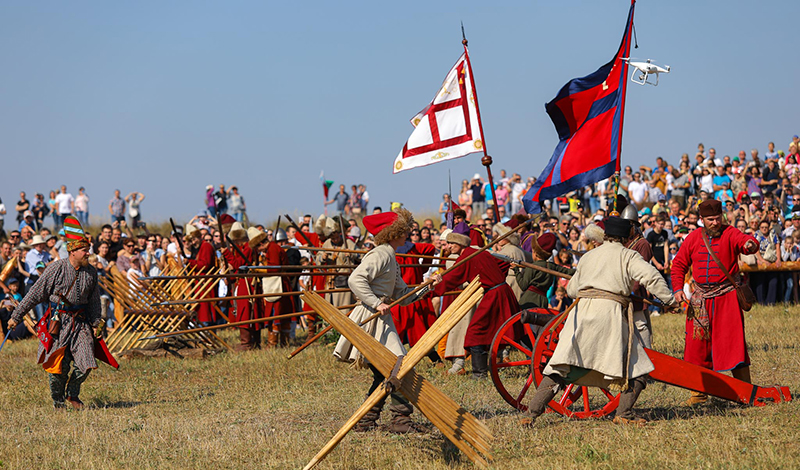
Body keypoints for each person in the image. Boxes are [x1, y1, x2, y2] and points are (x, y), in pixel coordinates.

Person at [521, 217, 678, 426]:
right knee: (639, 367)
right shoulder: (628, 255)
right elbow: (652, 277)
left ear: (606, 236)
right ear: (624, 237)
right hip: (609, 315)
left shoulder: (588, 256)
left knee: (560, 368)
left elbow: (571, 289)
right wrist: (670, 301)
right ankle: (624, 413)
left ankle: (530, 414)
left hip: (581, 313)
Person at [333, 209, 437, 433]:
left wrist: (427, 286)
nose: (408, 234)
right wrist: (376, 302)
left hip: (381, 317)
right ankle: (400, 421)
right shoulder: (381, 253)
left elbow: (402, 294)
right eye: (404, 230)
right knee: (398, 367)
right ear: (394, 233)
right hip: (372, 317)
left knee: (386, 371)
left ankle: (367, 420)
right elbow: (355, 279)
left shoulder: (390, 254)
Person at [6, 217, 103, 410]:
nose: (88, 253)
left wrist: (96, 322)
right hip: (58, 323)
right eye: (84, 250)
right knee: (58, 366)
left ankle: (72, 394)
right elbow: (34, 294)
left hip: (81, 323)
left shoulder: (91, 272)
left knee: (86, 362)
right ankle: (58, 401)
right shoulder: (56, 269)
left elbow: (93, 300)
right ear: (72, 251)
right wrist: (16, 316)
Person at [670, 199, 759, 405]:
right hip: (700, 300)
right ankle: (699, 394)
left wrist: (750, 244)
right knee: (696, 347)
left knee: (733, 343)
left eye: (718, 218)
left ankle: (746, 392)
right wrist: (677, 289)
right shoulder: (692, 238)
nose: (715, 223)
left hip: (727, 298)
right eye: (710, 219)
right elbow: (678, 265)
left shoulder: (730, 233)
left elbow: (746, 242)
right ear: (702, 220)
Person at [431, 221, 519, 379]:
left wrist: (436, 285)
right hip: (499, 292)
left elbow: (452, 277)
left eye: (451, 243)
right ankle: (487, 367)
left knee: (475, 331)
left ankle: (480, 374)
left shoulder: (467, 257)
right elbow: (502, 262)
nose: (449, 246)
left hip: (495, 295)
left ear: (459, 243)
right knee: (491, 330)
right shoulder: (474, 253)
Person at [183, 224, 218, 327]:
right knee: (201, 309)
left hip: (206, 283)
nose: (193, 242)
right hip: (201, 283)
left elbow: (205, 264)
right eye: (191, 240)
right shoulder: (199, 248)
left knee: (206, 310)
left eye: (194, 239)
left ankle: (207, 332)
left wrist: (190, 262)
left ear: (199, 237)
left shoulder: (206, 246)